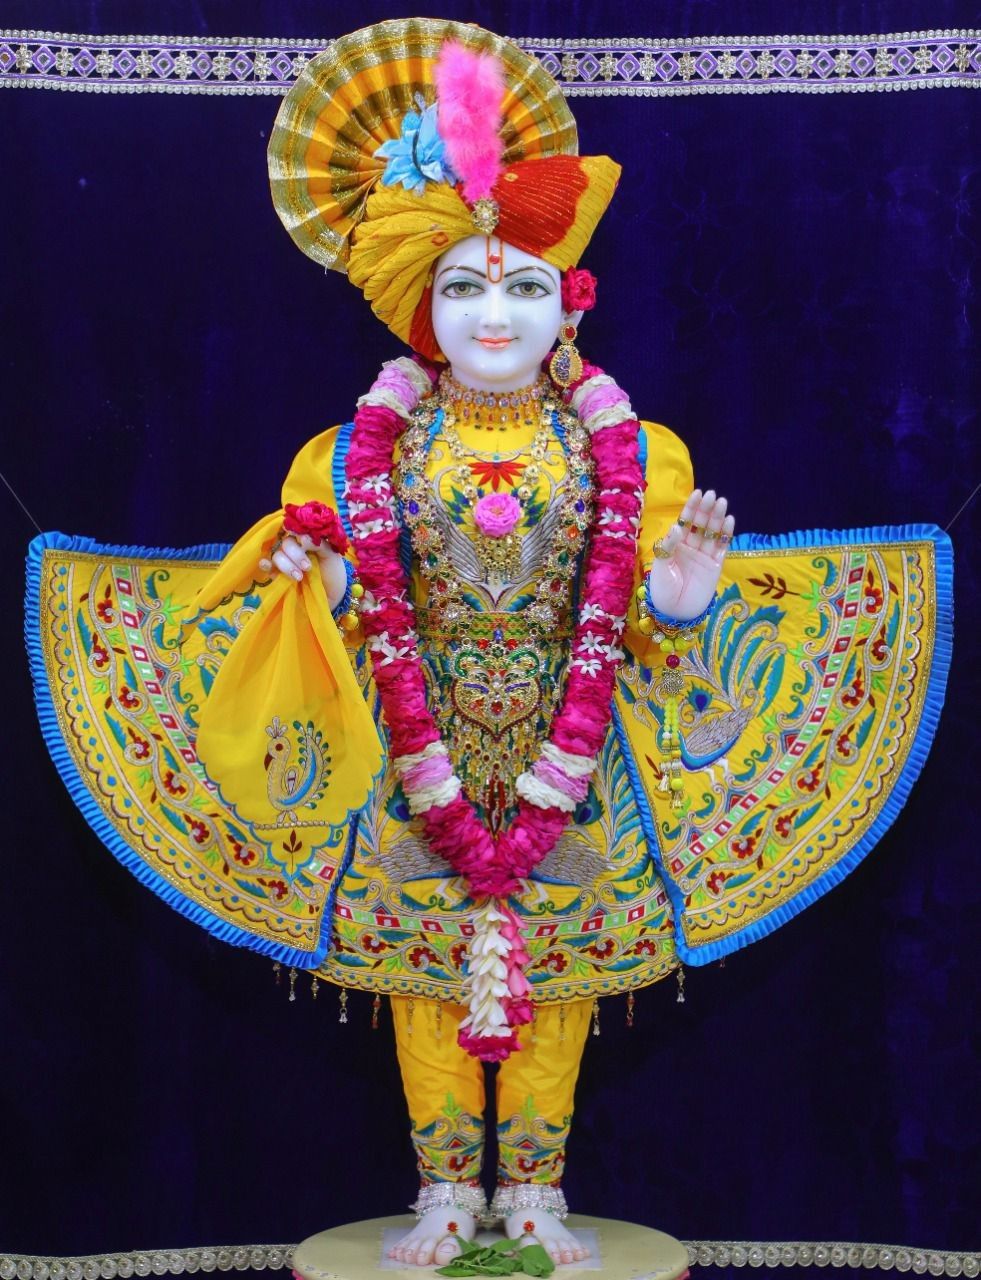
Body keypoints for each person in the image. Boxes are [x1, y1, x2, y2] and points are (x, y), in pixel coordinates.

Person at [26, 16, 952, 1269]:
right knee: (422, 974)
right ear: (422, 313)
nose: (495, 311)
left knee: (558, 973)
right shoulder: (365, 449)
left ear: (567, 305)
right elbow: (347, 581)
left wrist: (681, 595)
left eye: (522, 282)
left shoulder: (627, 449)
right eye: (463, 285)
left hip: (577, 755)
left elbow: (636, 612)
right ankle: (446, 1191)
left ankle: (537, 1193)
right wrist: (308, 567)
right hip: (418, 749)